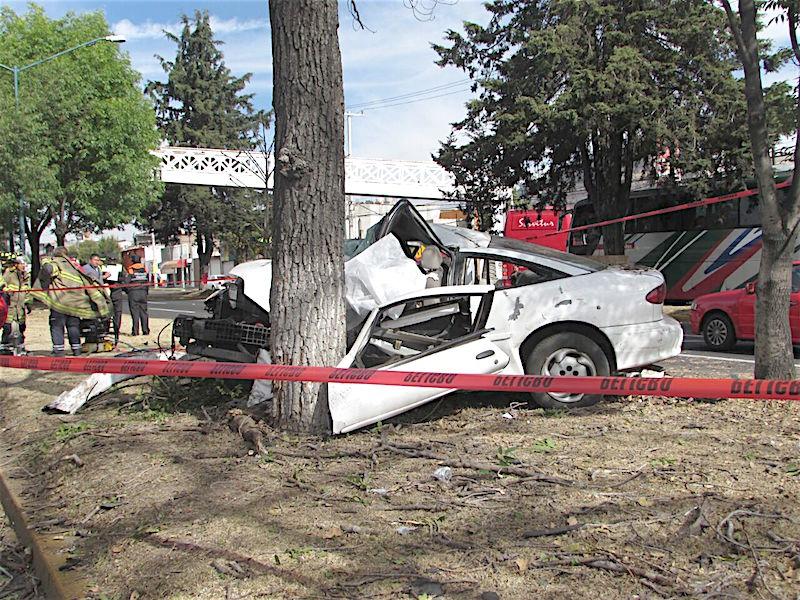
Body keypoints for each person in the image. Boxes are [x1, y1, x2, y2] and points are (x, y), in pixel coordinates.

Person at [35, 246, 112, 356]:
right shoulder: (74, 266)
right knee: (73, 327)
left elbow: (48, 270)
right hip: (75, 303)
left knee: (56, 326)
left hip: (60, 303)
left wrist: (45, 259)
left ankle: (58, 351)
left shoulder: (57, 263)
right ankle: (76, 350)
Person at [0, 257, 31, 355]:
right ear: (16, 264)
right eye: (21, 264)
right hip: (10, 305)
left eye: (24, 264)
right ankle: (4, 347)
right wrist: (5, 288)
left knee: (22, 327)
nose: (23, 266)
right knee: (7, 327)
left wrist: (28, 303)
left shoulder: (25, 275)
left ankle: (20, 348)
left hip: (20, 307)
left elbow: (28, 290)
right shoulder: (9, 273)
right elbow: (2, 282)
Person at [124, 253, 149, 336]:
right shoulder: (144, 270)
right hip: (143, 293)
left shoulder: (131, 270)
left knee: (135, 313)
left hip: (133, 293)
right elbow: (147, 282)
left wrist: (127, 291)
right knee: (144, 313)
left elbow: (126, 283)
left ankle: (135, 331)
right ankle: (145, 330)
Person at [102, 264, 125, 349]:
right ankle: (106, 330)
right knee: (107, 315)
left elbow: (124, 280)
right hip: (108, 294)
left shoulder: (119, 269)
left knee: (116, 315)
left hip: (115, 294)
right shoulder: (104, 270)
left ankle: (115, 331)